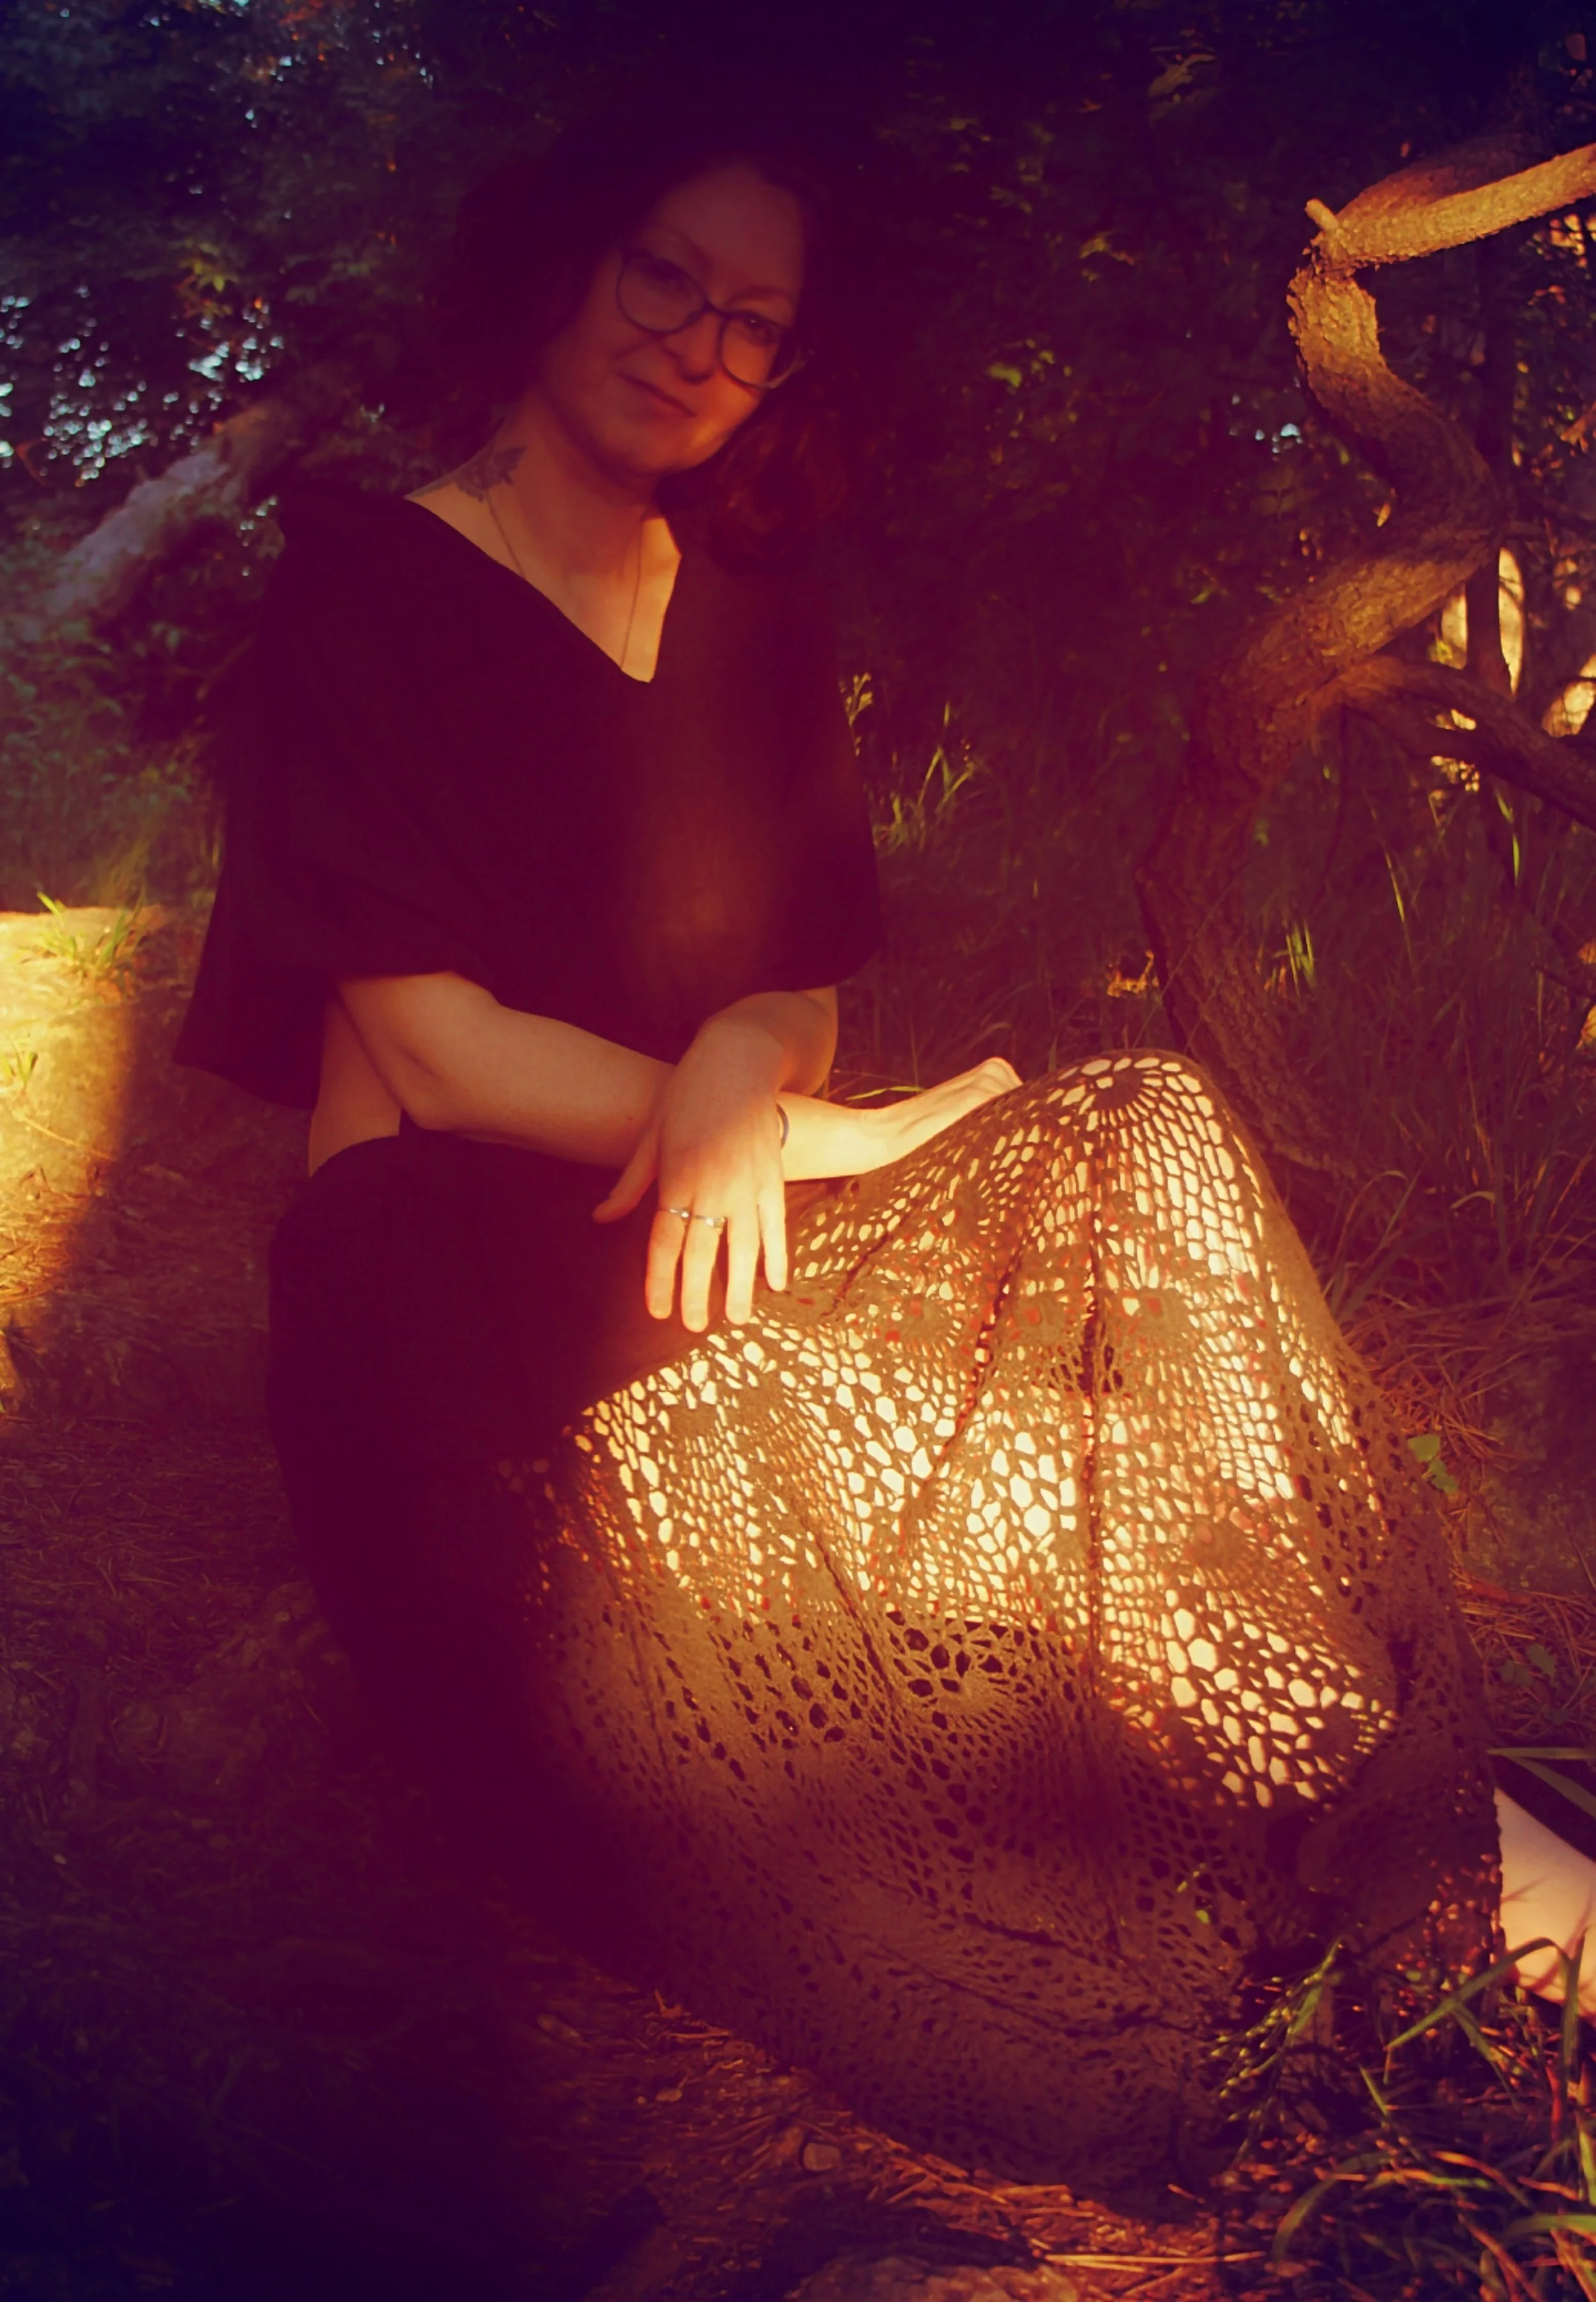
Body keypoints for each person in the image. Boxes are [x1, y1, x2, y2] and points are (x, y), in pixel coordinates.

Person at [176, 91, 1595, 2200]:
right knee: (964, 1493)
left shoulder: (749, 598)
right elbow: (440, 1052)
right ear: (561, 255)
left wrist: (756, 1078)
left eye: (756, 321)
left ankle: (1413, 1859)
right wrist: (823, 1139)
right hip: (447, 1291)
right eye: (665, 272)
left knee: (1142, 1134)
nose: (697, 341)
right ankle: (1450, 1895)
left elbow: (798, 968)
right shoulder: (364, 589)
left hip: (705, 1207)